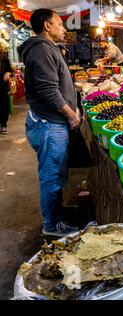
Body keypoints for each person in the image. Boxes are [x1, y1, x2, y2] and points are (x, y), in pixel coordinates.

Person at [18, 8, 80, 237]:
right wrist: (71, 114)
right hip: (48, 124)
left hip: (50, 123)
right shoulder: (41, 50)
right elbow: (47, 90)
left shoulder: (45, 49)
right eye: (60, 24)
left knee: (55, 175)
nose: (64, 28)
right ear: (47, 26)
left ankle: (56, 215)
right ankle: (51, 226)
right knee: (51, 177)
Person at [0, 45, 12, 134]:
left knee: (5, 105)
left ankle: (3, 125)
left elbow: (9, 69)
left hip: (3, 86)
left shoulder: (4, 58)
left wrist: (7, 74)